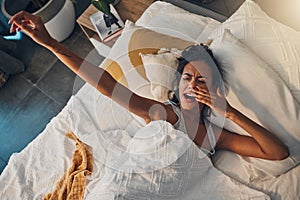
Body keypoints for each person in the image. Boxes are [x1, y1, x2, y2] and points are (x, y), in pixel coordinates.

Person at [9, 11, 289, 160]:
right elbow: (106, 84)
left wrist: (229, 112)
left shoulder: (214, 135)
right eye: (187, 77)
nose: (191, 85)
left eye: (202, 80)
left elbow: (278, 153)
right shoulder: (165, 112)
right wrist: (49, 43)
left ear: (214, 90)